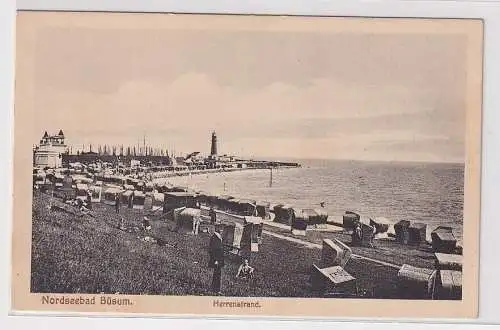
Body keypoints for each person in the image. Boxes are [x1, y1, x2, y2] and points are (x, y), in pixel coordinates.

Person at [208, 225, 224, 294]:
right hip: (217, 260)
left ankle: (215, 289)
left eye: (221, 228)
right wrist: (215, 260)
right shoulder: (214, 238)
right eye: (220, 228)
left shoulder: (218, 237)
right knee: (217, 274)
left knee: (218, 274)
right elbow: (212, 250)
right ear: (217, 229)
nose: (221, 230)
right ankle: (216, 290)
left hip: (219, 259)